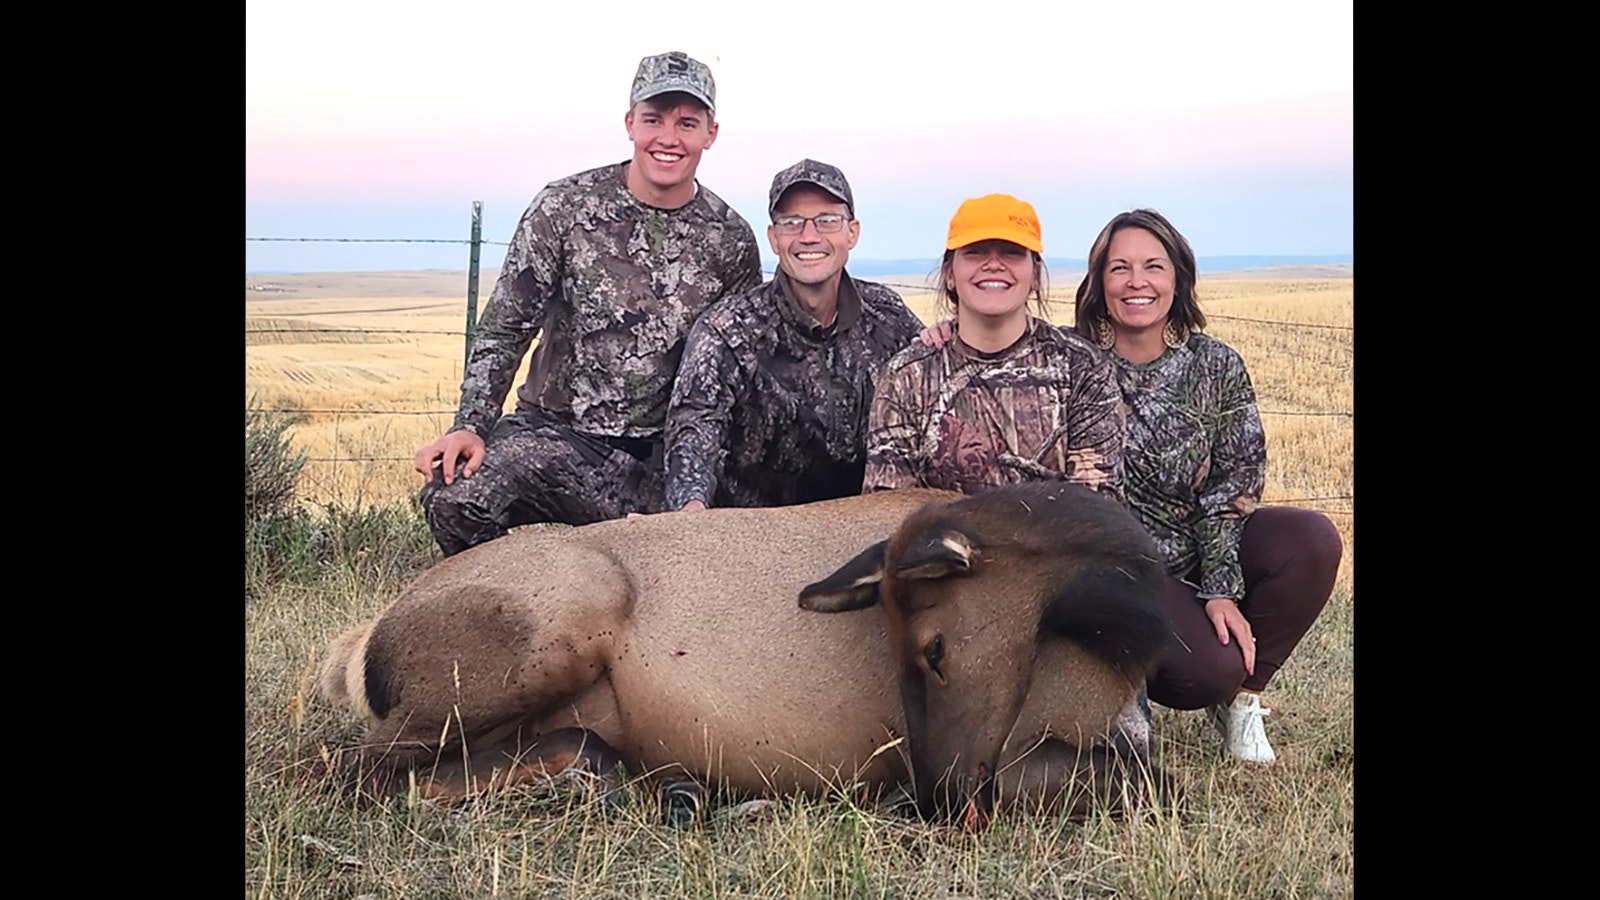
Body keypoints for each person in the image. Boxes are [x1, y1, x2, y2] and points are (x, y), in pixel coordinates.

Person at [412, 51, 763, 556]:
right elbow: (505, 329)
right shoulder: (563, 207)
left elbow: (738, 368)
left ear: (710, 132)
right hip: (556, 439)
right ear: (629, 124)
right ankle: (529, 614)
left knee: (746, 532)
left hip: (666, 460)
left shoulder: (730, 238)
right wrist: (470, 424)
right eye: (653, 120)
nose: (669, 137)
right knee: (454, 497)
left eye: (687, 122)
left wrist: (702, 481)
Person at [1071, 208, 1342, 763]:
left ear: (1178, 277)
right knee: (1204, 674)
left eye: (1153, 266)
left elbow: (1234, 486)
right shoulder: (1073, 363)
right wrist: (941, 335)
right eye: (1119, 268)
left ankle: (1244, 702)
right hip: (1125, 566)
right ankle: (1197, 684)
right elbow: (993, 343)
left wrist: (1221, 587)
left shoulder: (1215, 365)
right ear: (1099, 283)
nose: (1137, 282)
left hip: (1201, 546)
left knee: (1311, 539)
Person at [664, 160, 924, 511]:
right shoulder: (728, 328)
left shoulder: (887, 313)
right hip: (757, 531)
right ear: (773, 238)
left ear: (852, 232)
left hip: (864, 523)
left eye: (827, 220)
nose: (809, 236)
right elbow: (694, 424)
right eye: (792, 223)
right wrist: (690, 504)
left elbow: (933, 381)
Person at [862, 193, 1124, 498]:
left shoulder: (1082, 369)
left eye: (1012, 252)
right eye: (975, 252)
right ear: (949, 273)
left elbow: (1096, 511)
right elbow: (887, 509)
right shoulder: (906, 376)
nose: (993, 265)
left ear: (1035, 274)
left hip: (1056, 546)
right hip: (940, 546)